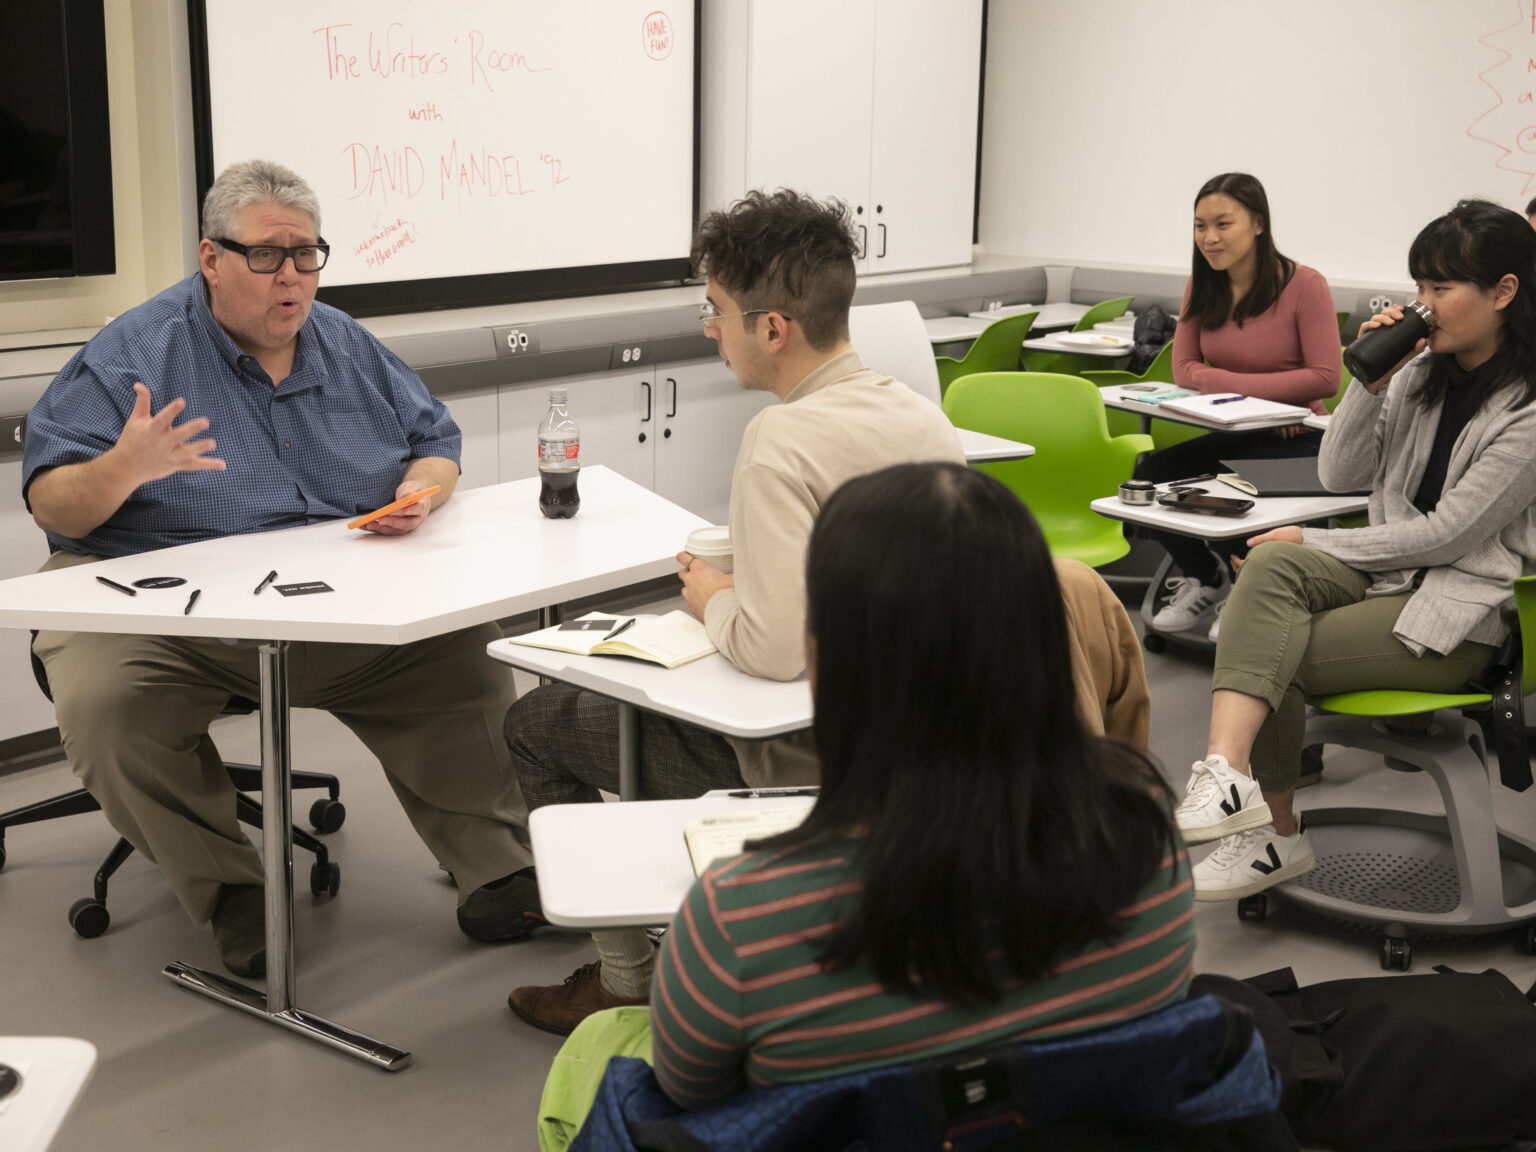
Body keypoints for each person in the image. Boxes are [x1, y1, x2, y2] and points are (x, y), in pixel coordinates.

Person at [533, 463, 1192, 1146]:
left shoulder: (741, 912)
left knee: (598, 1054)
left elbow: (689, 1090)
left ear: (822, 657)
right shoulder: (1143, 827)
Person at [23, 159, 539, 977]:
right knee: (107, 704)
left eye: (307, 255)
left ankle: (500, 868)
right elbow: (52, 503)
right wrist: (123, 468)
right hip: (158, 606)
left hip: (331, 596)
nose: (290, 276)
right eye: (266, 256)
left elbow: (436, 443)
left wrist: (420, 491)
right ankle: (230, 892)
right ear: (211, 259)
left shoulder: (346, 344)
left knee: (461, 657)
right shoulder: (135, 352)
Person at [502, 189, 969, 1034]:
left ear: (775, 329)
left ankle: (624, 976)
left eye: (717, 311)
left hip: (807, 769)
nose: (709, 328)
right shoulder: (923, 417)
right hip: (928, 757)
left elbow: (774, 649)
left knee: (536, 722)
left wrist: (715, 598)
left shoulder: (780, 442)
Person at [1174, 199, 1536, 901]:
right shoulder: (1422, 375)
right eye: (1418, 289)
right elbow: (1339, 475)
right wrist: (1369, 383)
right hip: (1390, 576)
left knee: (1268, 647)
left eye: (1440, 290)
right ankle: (1227, 776)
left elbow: (1449, 534)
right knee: (1271, 572)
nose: (1421, 308)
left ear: (1503, 292)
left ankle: (1272, 839)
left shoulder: (1528, 412)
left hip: (1464, 608)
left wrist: (1309, 535)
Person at [1135, 173, 1340, 642]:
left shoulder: (1306, 285)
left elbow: (1325, 377)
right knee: (1149, 477)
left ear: (1259, 224)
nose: (1209, 237)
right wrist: (1269, 394)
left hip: (1302, 438)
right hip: (1239, 431)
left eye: (1223, 224)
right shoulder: (1201, 286)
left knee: (1229, 490)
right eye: (1200, 226)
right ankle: (1207, 580)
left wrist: (1250, 395)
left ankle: (1249, 591)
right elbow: (1182, 368)